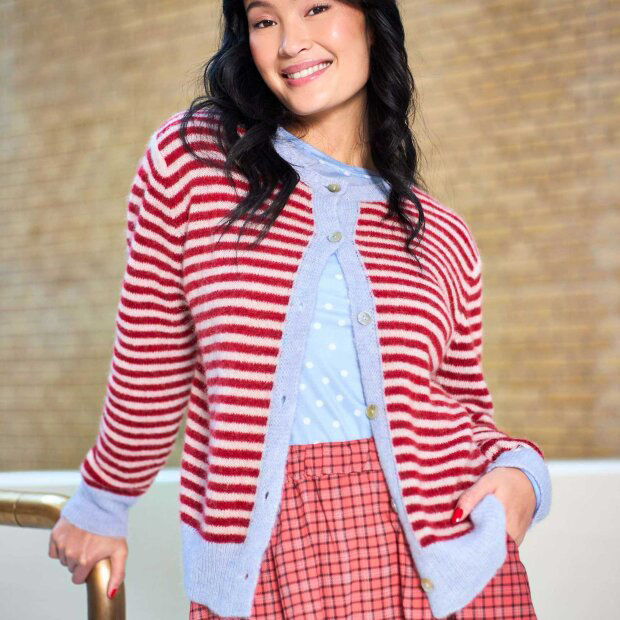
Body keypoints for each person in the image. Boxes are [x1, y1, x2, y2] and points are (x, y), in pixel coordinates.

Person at [49, 1, 552, 618]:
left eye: (316, 6)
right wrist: (103, 502)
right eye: (265, 20)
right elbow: (150, 361)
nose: (290, 42)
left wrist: (525, 476)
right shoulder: (195, 163)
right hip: (272, 558)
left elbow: (465, 408)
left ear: (372, 22)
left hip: (449, 560)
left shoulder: (441, 233)